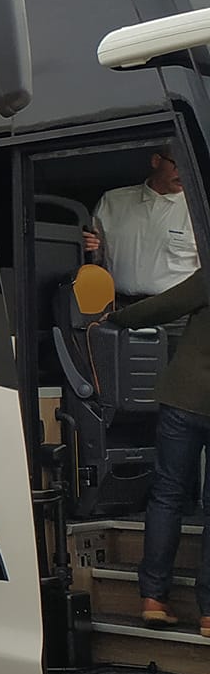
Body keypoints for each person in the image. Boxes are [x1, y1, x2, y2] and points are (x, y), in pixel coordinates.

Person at [108, 268, 210, 635]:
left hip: (183, 399)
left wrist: (114, 317)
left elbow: (161, 307)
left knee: (167, 495)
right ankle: (209, 614)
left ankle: (153, 598)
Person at [84, 148, 199, 297]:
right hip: (117, 304)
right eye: (179, 164)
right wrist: (86, 245)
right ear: (156, 161)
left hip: (176, 308)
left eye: (190, 166)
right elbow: (94, 257)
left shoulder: (199, 207)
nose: (184, 172)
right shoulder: (113, 201)